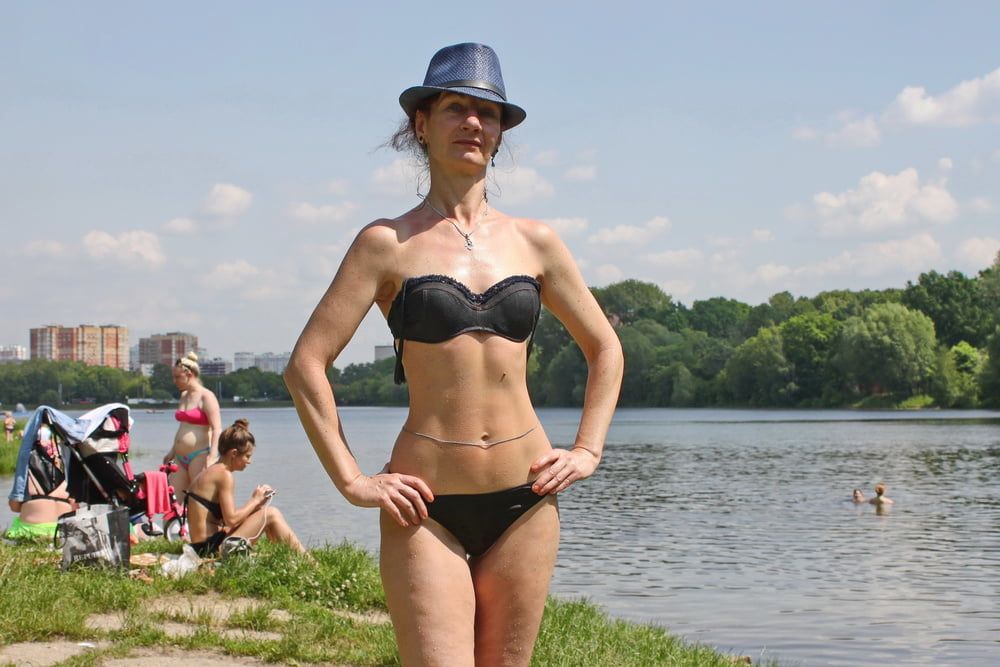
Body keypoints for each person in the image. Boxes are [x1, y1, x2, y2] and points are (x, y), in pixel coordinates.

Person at [284, 42, 624, 666]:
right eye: (456, 108)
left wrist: (588, 450)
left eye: (488, 114)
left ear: (498, 135)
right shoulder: (385, 244)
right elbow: (306, 364)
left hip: (527, 498)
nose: (473, 122)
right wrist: (352, 480)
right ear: (421, 124)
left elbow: (605, 347)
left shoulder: (537, 242)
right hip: (426, 506)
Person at [184, 418, 306, 557]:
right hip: (210, 550)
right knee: (270, 513)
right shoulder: (224, 475)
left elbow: (226, 520)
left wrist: (257, 505)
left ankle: (289, 556)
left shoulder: (211, 471)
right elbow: (231, 520)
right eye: (247, 456)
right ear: (234, 453)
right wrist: (254, 500)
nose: (249, 461)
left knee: (261, 511)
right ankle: (308, 561)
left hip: (203, 547)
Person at [162, 352, 221, 499]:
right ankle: (176, 523)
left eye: (177, 377)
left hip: (199, 455)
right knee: (174, 501)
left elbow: (217, 428)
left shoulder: (206, 396)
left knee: (197, 499)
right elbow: (183, 427)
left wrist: (213, 455)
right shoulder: (183, 396)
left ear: (189, 374)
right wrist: (171, 452)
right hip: (179, 457)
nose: (174, 381)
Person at [5, 424, 75, 541]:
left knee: (17, 523)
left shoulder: (27, 475)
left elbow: (14, 507)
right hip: (62, 532)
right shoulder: (70, 478)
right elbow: (75, 507)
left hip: (31, 530)